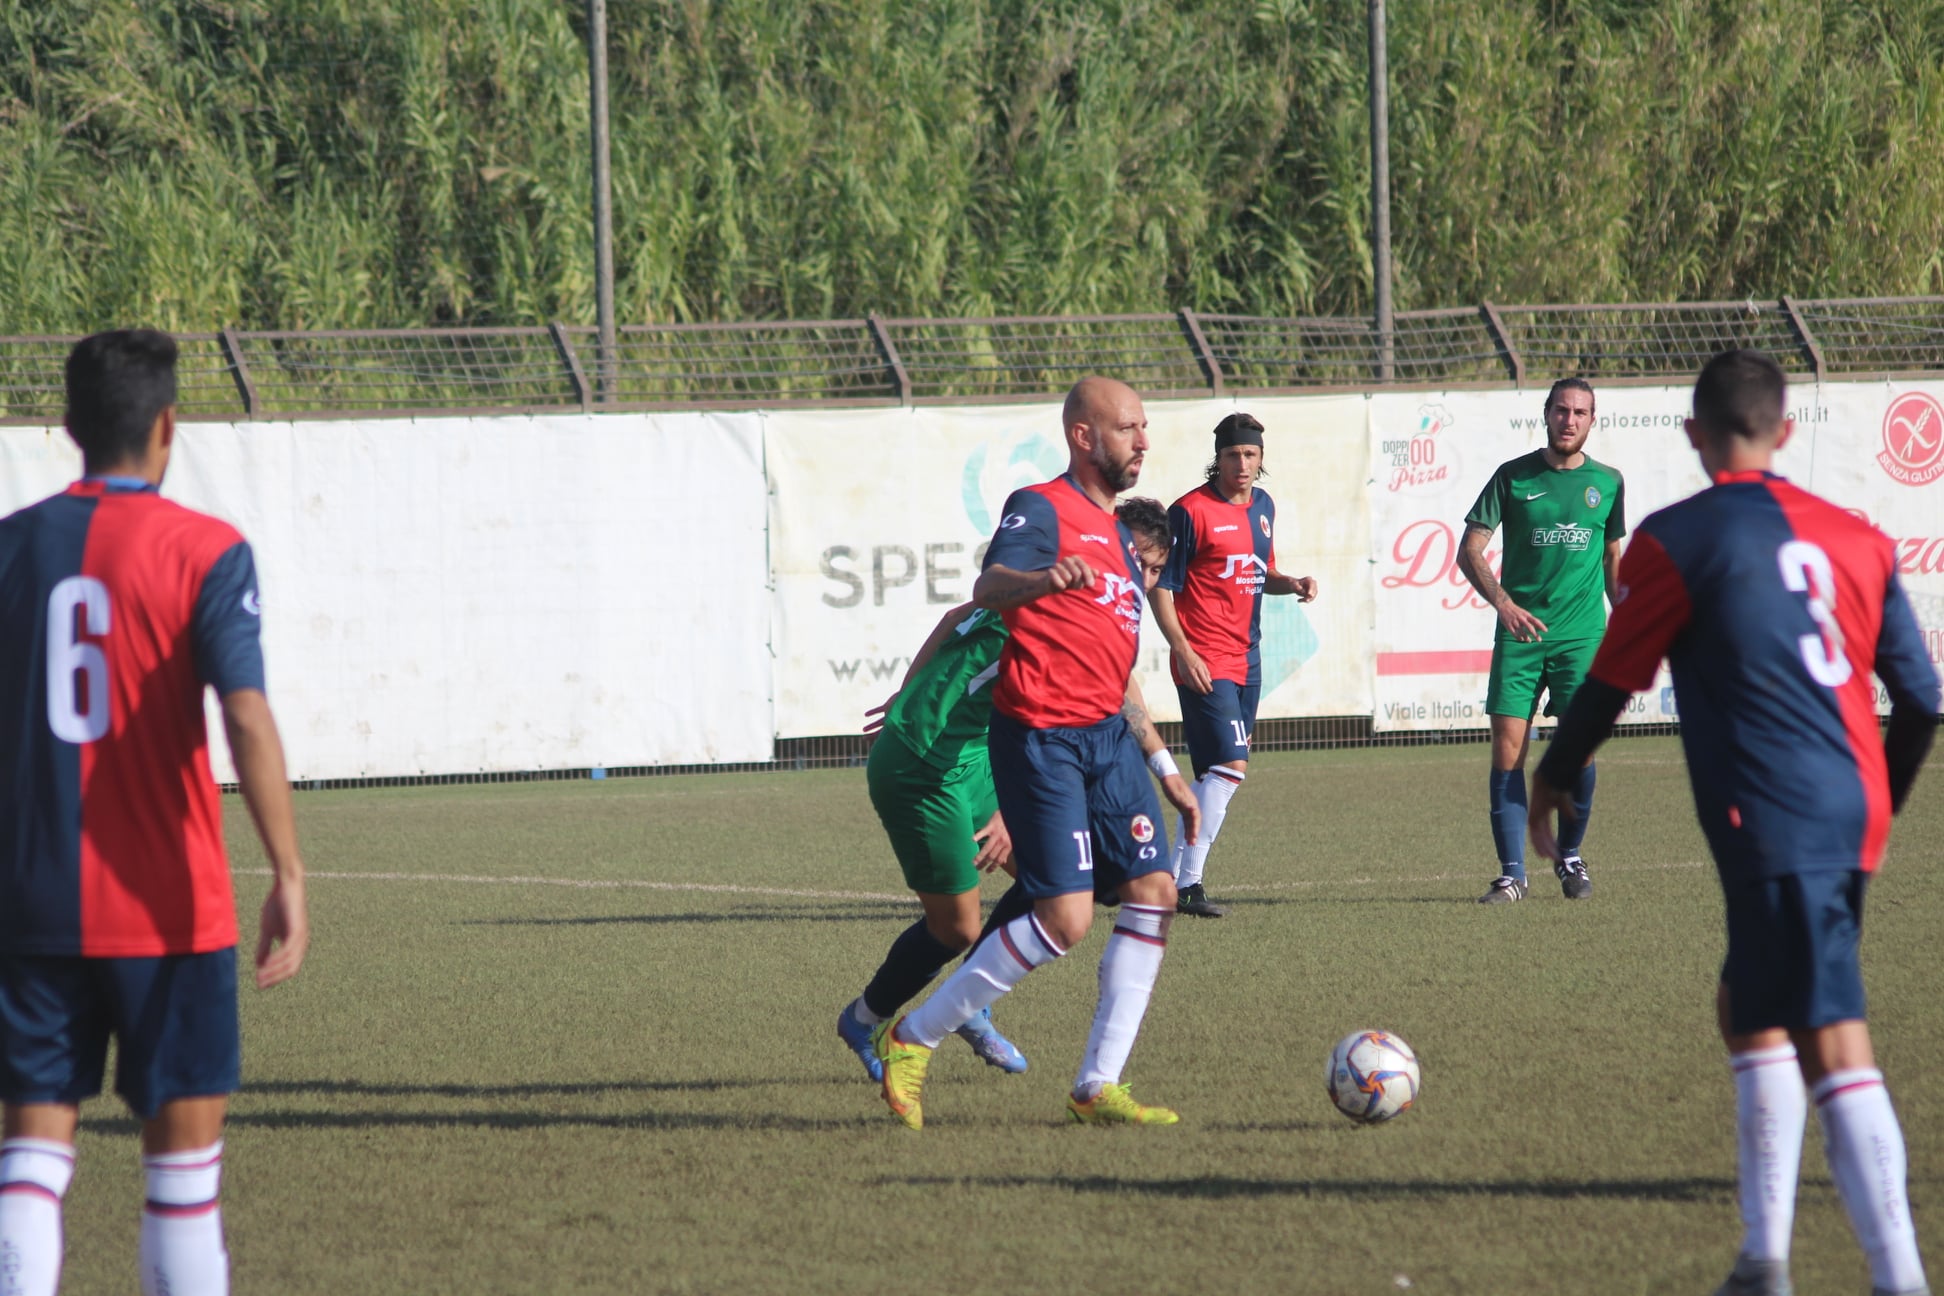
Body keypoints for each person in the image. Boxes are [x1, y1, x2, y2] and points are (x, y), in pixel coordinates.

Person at [1529, 350, 1937, 1296]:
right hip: (1842, 804)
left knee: (1833, 1035)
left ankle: (1899, 1277)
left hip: (1779, 810)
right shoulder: (1859, 538)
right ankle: (1763, 1261)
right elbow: (1920, 700)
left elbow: (1613, 681)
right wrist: (1877, 808)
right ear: (1785, 432)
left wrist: (1553, 774)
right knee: (1748, 1008)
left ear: (1692, 435)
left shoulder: (1683, 538)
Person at [0, 329, 310, 1296]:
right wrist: (289, 873)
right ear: (168, 424)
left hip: (31, 904)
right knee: (182, 1181)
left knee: (29, 1168)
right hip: (171, 911)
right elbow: (247, 717)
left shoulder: (8, 549)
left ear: (68, 428)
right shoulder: (206, 552)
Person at [870, 378, 1200, 1130]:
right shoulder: (1042, 505)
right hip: (1042, 737)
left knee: (1155, 893)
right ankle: (911, 1036)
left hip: (1106, 741)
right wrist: (1040, 578)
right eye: (1126, 428)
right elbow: (987, 586)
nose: (1142, 440)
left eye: (1145, 427)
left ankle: (1097, 1084)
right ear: (1084, 437)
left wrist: (1162, 767)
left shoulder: (1120, 534)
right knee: (1066, 920)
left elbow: (1114, 667)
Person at [836, 500, 1179, 1081]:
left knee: (1075, 880)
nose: (1144, 580)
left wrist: (1164, 763)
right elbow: (1044, 703)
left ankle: (971, 1001)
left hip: (973, 753)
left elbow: (956, 621)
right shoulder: (1054, 603)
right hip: (921, 765)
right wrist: (911, 698)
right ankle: (865, 1017)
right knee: (957, 928)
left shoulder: (1085, 602)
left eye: (1152, 570)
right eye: (1141, 564)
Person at [1456, 377, 1624, 904]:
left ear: (1592, 420)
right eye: (1561, 410)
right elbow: (1470, 550)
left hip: (1582, 637)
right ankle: (1512, 875)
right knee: (1507, 754)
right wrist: (1504, 604)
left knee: (1580, 753)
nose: (1569, 420)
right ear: (1546, 414)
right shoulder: (1513, 476)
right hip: (1521, 637)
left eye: (1580, 412)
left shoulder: (1609, 483)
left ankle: (1569, 857)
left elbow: (1613, 562)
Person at [1150, 412, 1317, 917]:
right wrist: (1183, 650)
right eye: (1232, 455)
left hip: (1249, 657)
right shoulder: (1189, 512)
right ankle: (1188, 882)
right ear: (1217, 457)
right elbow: (1161, 586)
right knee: (1230, 767)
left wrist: (1290, 584)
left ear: (1261, 459)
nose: (1241, 463)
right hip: (1205, 658)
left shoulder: (1264, 507)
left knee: (1210, 777)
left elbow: (1258, 572)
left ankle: (1176, 883)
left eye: (1249, 455)